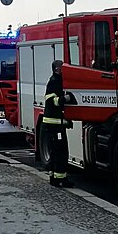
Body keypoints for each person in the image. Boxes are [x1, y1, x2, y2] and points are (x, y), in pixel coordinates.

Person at [43, 59, 73, 188]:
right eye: (62, 67)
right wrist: (63, 99)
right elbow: (51, 101)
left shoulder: (59, 80)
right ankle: (59, 179)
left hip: (57, 123)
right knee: (60, 152)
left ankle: (55, 177)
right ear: (56, 69)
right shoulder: (54, 81)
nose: (64, 69)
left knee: (57, 151)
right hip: (54, 124)